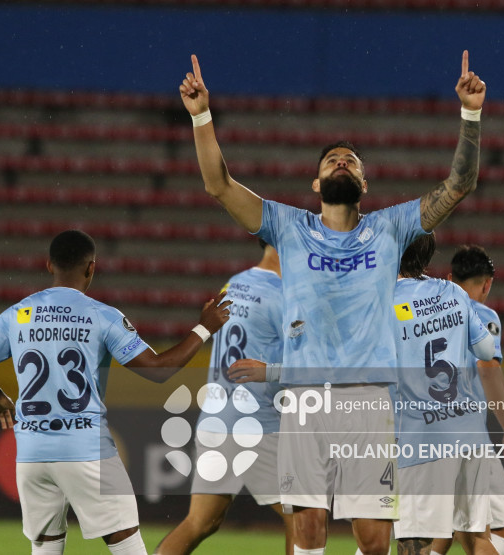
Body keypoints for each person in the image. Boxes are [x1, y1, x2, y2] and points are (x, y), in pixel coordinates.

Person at [179, 50, 485, 555]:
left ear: (363, 186)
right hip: (305, 398)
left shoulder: (389, 227)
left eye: (352, 161)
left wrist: (470, 114)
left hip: (368, 398)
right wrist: (201, 117)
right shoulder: (289, 226)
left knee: (372, 538)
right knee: (308, 528)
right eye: (331, 160)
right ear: (317, 185)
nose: (341, 160)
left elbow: (460, 185)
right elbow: (218, 184)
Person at [0, 230, 232, 555]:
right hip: (86, 450)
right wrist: (204, 328)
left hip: (32, 453)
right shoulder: (102, 316)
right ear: (91, 268)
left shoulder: (18, 315)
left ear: (49, 265)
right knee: (127, 547)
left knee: (45, 548)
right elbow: (159, 370)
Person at [154, 240, 293, 554]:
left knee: (200, 522)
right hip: (258, 425)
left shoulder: (235, 284)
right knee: (303, 516)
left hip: (216, 420)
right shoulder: (285, 296)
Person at [391, 234, 498, 555]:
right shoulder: (453, 292)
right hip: (467, 432)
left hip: (422, 435)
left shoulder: (385, 300)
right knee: (478, 537)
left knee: (414, 542)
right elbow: (486, 348)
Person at [438, 244, 504, 555]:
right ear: (488, 283)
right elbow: (488, 369)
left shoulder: (426, 313)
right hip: (468, 435)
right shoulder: (484, 315)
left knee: (442, 531)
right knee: (484, 533)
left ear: (449, 278)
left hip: (427, 430)